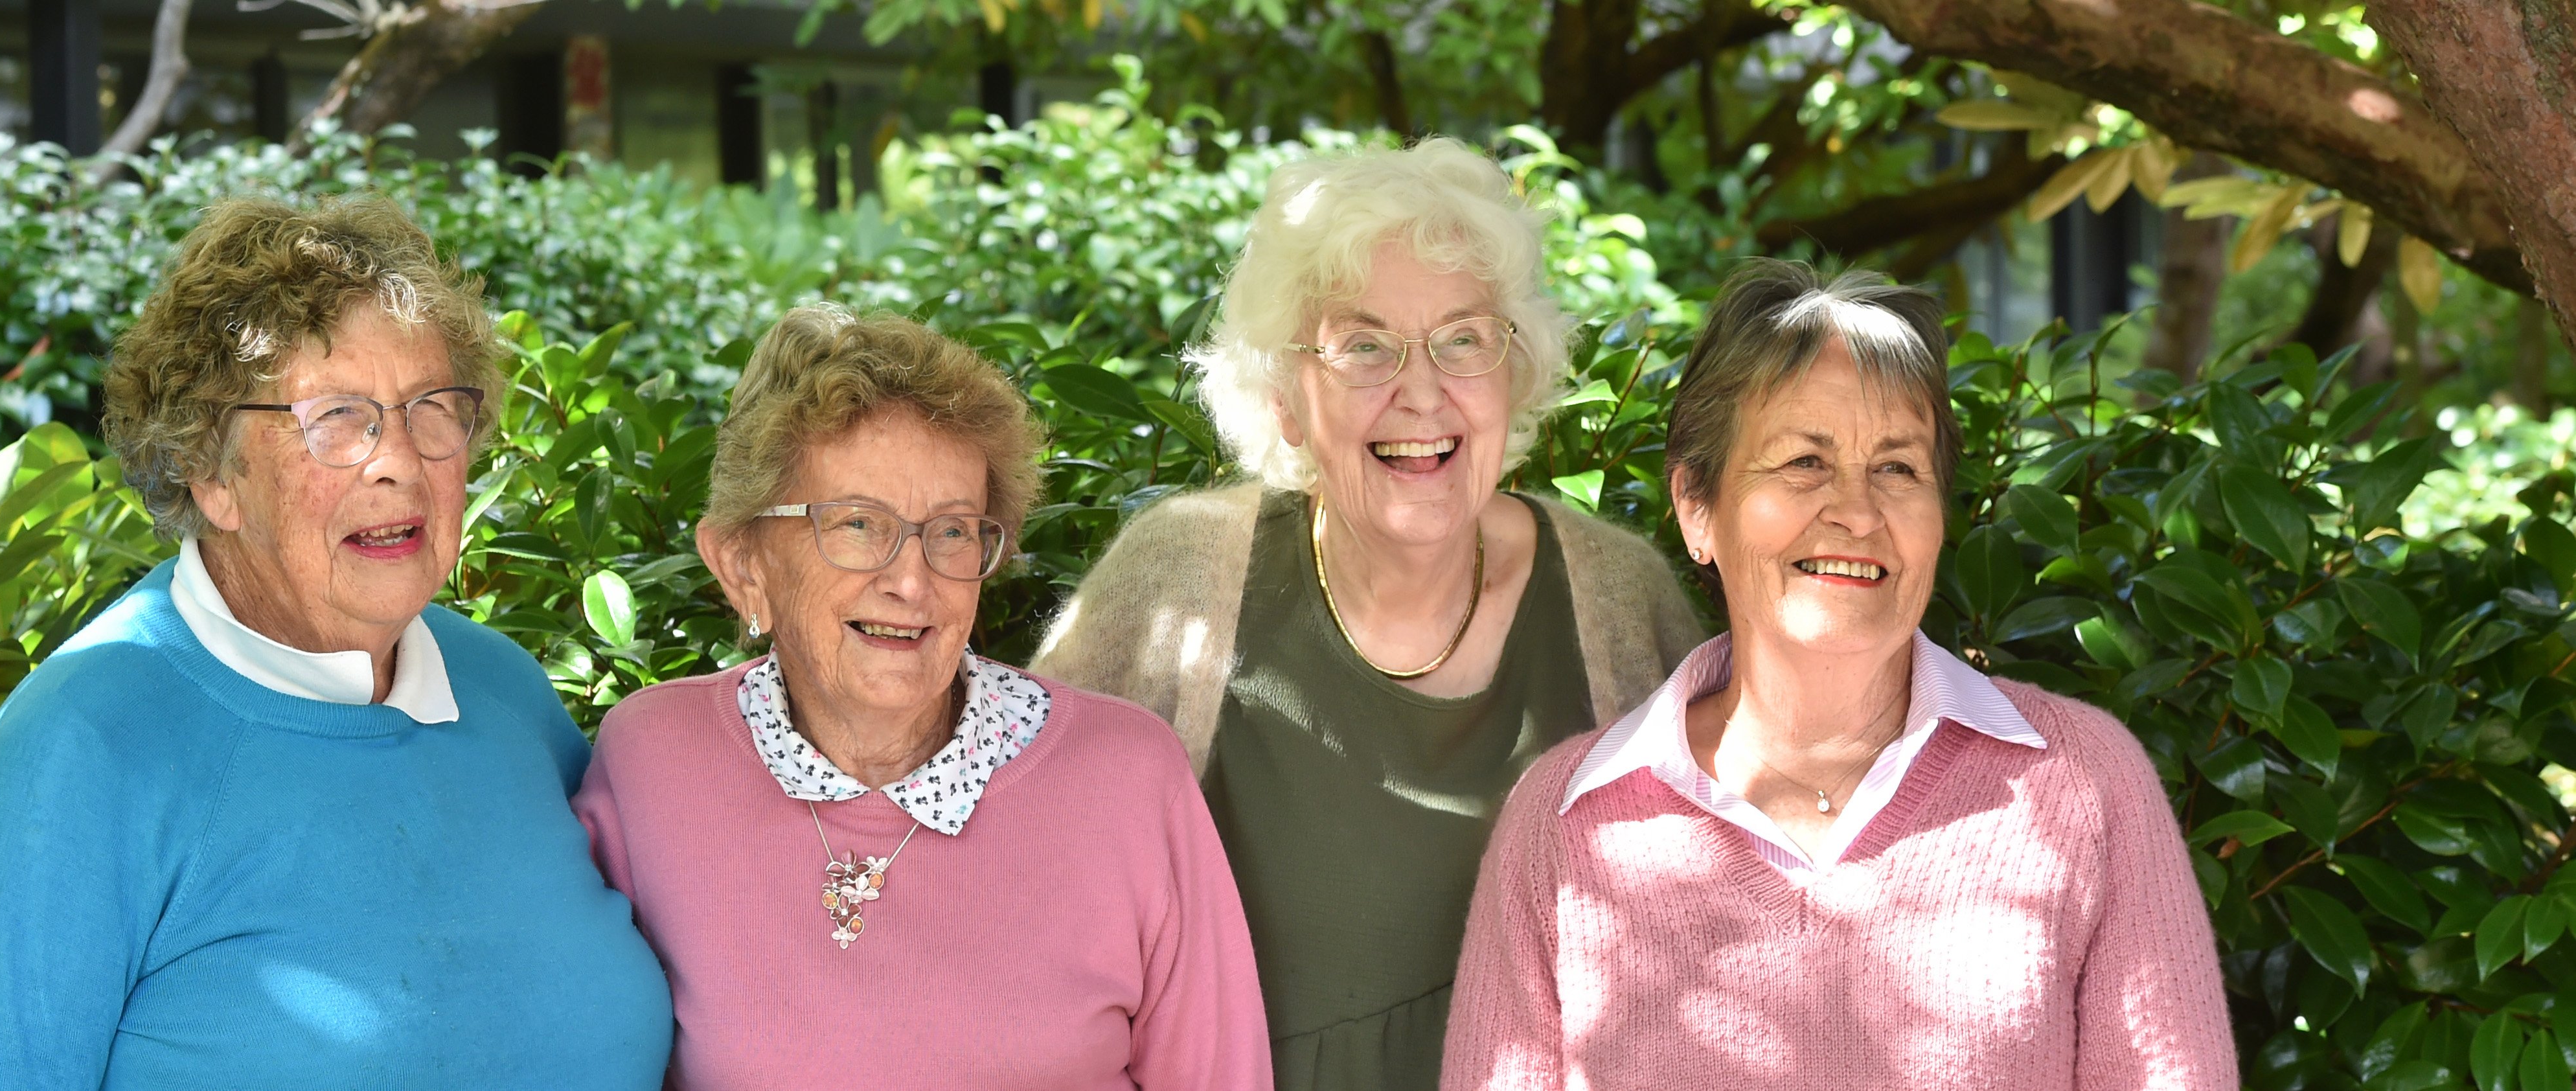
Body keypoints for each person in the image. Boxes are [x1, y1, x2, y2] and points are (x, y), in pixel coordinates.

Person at [0, 196, 671, 1090]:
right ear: (210, 473)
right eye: (335, 417)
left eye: (431, 408)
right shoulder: (81, 747)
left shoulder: (504, 691)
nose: (399, 461)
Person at [1441, 260, 2237, 1090]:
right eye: (1803, 462)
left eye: (1897, 468)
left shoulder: (2083, 787)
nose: (1856, 512)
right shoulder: (1566, 826)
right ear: (1696, 507)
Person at [1031, 139, 1707, 1091]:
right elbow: (1024, 904)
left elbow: (1726, 939)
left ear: (1515, 372)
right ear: (1286, 398)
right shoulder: (1179, 586)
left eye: (1464, 340)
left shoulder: (1616, 596)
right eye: (1363, 346)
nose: (1421, 393)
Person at [573, 305, 1273, 1090]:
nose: (911, 581)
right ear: (742, 564)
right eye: (857, 524)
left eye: (952, 531)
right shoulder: (654, 761)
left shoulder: (1127, 778)